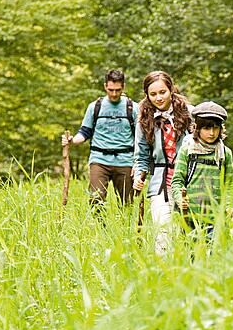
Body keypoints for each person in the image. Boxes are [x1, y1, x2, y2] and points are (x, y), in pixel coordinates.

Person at [133, 71, 194, 254]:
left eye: (162, 92)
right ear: (147, 95)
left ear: (171, 90)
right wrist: (138, 175)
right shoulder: (144, 119)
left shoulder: (190, 113)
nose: (158, 98)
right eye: (153, 94)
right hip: (161, 182)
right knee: (163, 232)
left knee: (190, 232)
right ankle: (164, 277)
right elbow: (142, 155)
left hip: (188, 180)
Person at [61, 69, 137, 209]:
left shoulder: (132, 108)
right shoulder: (95, 107)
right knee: (96, 199)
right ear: (105, 86)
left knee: (127, 204)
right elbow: (84, 132)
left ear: (123, 87)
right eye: (110, 90)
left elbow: (140, 137)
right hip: (99, 160)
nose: (114, 94)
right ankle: (100, 229)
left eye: (117, 90)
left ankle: (125, 229)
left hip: (125, 160)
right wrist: (72, 140)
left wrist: (139, 163)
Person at [171, 101, 233, 244]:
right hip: (191, 217)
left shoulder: (225, 153)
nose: (212, 133)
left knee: (215, 256)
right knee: (192, 257)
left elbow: (230, 184)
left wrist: (229, 206)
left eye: (216, 128)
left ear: (221, 129)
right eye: (207, 128)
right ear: (197, 128)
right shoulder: (187, 150)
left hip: (217, 217)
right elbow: (177, 181)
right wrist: (179, 198)